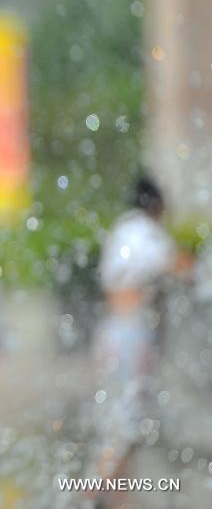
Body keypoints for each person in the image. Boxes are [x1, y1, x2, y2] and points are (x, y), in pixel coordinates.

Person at [86, 176, 189, 503]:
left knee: (123, 423)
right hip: (129, 334)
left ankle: (119, 500)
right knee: (124, 425)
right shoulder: (143, 231)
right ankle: (85, 498)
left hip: (113, 330)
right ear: (156, 205)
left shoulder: (125, 227)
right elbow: (178, 263)